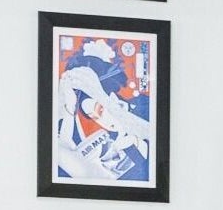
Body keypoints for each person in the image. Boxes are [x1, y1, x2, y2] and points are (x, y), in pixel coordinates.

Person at [54, 37, 154, 184]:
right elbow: (62, 149)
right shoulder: (108, 140)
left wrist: (101, 97)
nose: (101, 122)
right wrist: (69, 107)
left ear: (111, 97)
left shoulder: (144, 106)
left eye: (100, 110)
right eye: (93, 117)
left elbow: (155, 134)